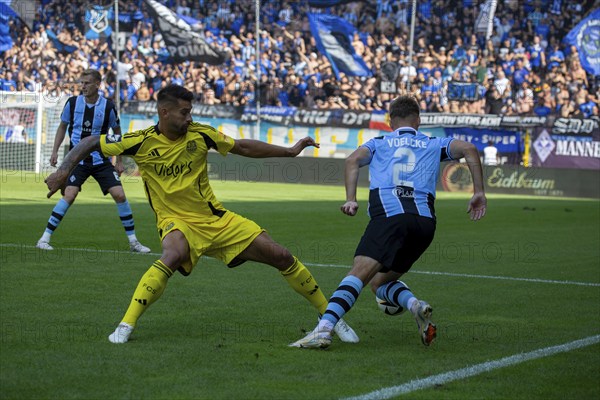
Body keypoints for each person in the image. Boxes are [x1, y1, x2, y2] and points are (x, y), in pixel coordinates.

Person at [44, 84, 359, 345]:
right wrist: (62, 171)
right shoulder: (139, 142)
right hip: (175, 222)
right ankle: (126, 324)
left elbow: (243, 148)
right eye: (184, 112)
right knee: (172, 254)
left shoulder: (201, 134)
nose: (189, 117)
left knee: (282, 255)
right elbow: (89, 142)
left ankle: (329, 316)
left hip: (216, 220)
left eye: (190, 111)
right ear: (164, 112)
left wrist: (289, 151)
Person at [290, 95, 487, 349]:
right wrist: (478, 191)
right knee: (378, 282)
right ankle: (414, 305)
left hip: (390, 216)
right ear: (418, 120)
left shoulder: (379, 142)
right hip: (425, 225)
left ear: (391, 120)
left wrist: (351, 198)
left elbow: (352, 161)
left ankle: (324, 329)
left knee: (359, 272)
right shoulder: (433, 143)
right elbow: (470, 149)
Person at [36, 69, 151, 253]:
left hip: (101, 160)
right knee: (70, 195)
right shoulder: (72, 103)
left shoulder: (108, 106)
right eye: (81, 83)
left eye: (87, 83)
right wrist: (55, 151)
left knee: (120, 195)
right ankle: (44, 238)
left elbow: (117, 133)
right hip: (77, 161)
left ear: (97, 84)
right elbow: (62, 126)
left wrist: (119, 161)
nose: (83, 86)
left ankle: (133, 242)